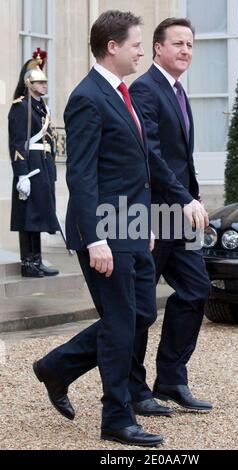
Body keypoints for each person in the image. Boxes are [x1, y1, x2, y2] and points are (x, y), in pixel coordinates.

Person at [32, 11, 165, 447]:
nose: (142, 50)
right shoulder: (88, 97)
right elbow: (82, 175)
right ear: (113, 47)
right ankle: (116, 418)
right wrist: (95, 239)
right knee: (122, 322)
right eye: (136, 44)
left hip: (132, 226)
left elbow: (133, 170)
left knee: (141, 314)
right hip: (104, 232)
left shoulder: (122, 94)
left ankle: (57, 366)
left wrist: (143, 223)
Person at [129, 18, 213, 411]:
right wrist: (185, 198)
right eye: (178, 43)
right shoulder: (146, 89)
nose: (185, 51)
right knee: (141, 307)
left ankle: (171, 379)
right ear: (158, 48)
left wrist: (192, 197)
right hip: (156, 214)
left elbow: (181, 158)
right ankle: (134, 390)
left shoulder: (177, 91)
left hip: (181, 213)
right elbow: (152, 155)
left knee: (196, 289)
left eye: (190, 45)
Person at [8, 49, 59, 278]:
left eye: (45, 81)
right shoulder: (21, 107)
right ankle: (28, 262)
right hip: (30, 166)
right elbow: (17, 143)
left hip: (43, 164)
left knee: (39, 214)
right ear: (29, 83)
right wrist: (22, 175)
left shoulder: (41, 107)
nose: (44, 85)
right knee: (28, 215)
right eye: (40, 82)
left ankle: (37, 260)